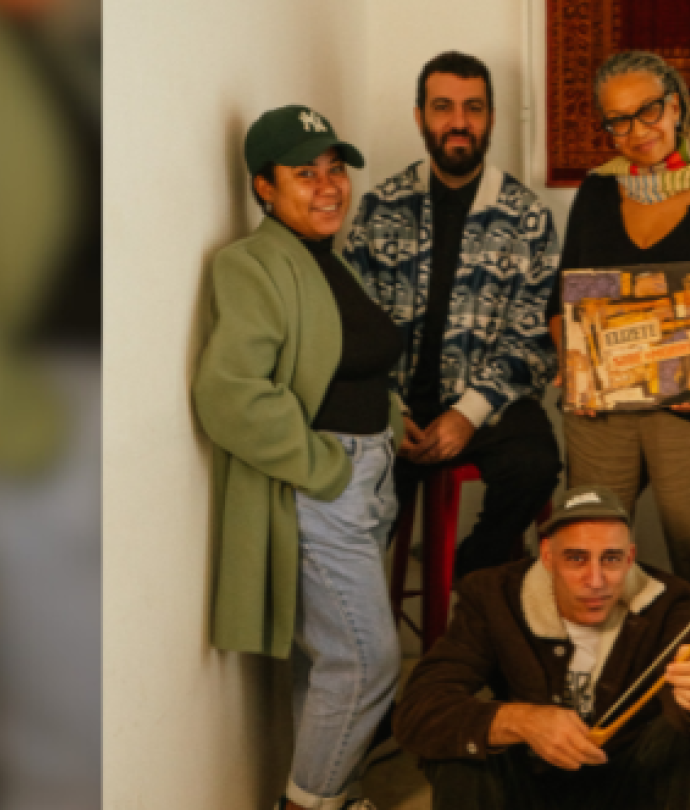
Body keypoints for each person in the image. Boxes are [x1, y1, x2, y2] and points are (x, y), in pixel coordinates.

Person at [193, 106, 405, 810]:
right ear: (263, 186)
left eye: (335, 170)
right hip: (327, 488)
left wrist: (395, 426)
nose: (328, 187)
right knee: (367, 661)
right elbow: (229, 394)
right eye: (305, 173)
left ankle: (333, 793)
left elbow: (354, 364)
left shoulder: (327, 260)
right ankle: (308, 805)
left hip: (368, 479)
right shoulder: (251, 264)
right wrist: (326, 468)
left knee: (330, 665)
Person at [548, 49, 690, 589]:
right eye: (619, 120)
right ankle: (596, 670)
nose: (637, 130)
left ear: (675, 107)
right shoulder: (595, 192)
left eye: (648, 110)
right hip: (600, 413)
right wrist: (571, 357)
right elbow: (562, 304)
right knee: (590, 564)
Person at [343, 51, 561, 578]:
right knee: (353, 510)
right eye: (443, 107)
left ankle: (474, 566)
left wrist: (468, 412)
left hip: (487, 404)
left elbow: (535, 340)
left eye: (474, 108)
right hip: (393, 406)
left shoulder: (526, 216)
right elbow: (352, 325)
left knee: (537, 463)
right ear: (419, 117)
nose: (459, 122)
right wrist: (393, 409)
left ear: (490, 118)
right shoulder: (379, 207)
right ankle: (365, 632)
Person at [394, 485, 690, 809]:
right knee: (462, 746)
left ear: (630, 558)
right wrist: (519, 720)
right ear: (547, 557)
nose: (596, 580)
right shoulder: (493, 594)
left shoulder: (671, 601)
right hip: (529, 783)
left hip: (629, 784)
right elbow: (418, 711)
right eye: (576, 559)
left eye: (611, 559)